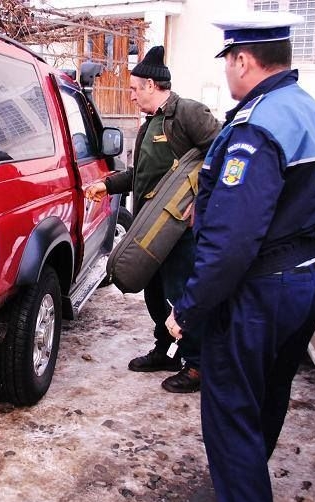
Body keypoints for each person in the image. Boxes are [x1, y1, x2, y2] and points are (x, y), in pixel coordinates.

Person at [165, 11, 315, 502]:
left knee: (230, 416)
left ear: (243, 59)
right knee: (267, 399)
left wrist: (189, 310)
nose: (227, 71)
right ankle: (246, 486)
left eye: (228, 60)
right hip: (305, 282)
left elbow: (231, 243)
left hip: (257, 294)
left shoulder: (257, 126)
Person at [86, 45, 220, 393]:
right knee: (155, 292)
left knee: (180, 292)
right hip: (150, 227)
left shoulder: (186, 112)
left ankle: (196, 365)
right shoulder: (149, 126)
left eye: (133, 89)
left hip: (178, 228)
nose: (130, 96)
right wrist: (107, 184)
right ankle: (166, 350)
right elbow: (140, 174)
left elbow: (221, 153)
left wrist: (201, 204)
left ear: (150, 85)